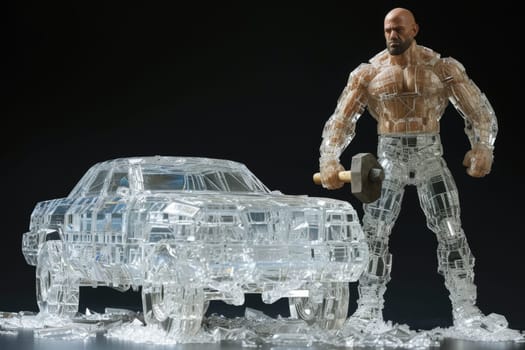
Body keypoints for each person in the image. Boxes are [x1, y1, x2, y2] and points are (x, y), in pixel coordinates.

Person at [318, 7, 503, 330]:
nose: (393, 35)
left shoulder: (441, 68)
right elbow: (341, 120)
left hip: (430, 154)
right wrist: (329, 158)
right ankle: (368, 310)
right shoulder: (368, 73)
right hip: (388, 159)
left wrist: (483, 146)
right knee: (374, 234)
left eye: (399, 30)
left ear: (414, 29)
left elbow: (478, 110)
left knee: (450, 231)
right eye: (388, 30)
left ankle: (466, 310)